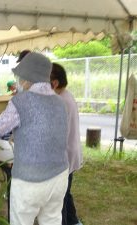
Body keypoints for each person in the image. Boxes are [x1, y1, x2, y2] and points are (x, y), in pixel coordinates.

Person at [0, 52, 69, 225]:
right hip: (59, 175)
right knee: (52, 220)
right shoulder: (60, 102)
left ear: (27, 77)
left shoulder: (21, 101)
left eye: (21, 77)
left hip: (29, 180)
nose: (19, 80)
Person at [50, 63, 83, 225]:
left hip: (64, 156)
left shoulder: (60, 101)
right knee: (65, 193)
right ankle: (74, 221)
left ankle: (67, 221)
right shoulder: (65, 95)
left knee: (59, 200)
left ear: (54, 83)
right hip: (71, 152)